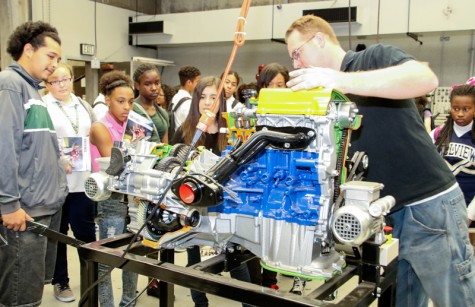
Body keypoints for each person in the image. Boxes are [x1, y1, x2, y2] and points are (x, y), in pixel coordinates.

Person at [285, 15, 475, 307]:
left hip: (428, 206)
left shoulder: (373, 58)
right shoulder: (325, 96)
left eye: (296, 54)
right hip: (383, 217)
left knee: (457, 300)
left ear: (319, 39)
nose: (295, 64)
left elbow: (425, 79)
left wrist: (338, 79)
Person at [0, 21, 68, 307]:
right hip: (23, 214)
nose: (54, 65)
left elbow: (31, 146)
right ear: (28, 49)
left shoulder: (33, 92)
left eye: (58, 60)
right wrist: (8, 204)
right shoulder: (11, 84)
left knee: (32, 292)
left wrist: (57, 160)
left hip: (43, 209)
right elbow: (4, 146)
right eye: (50, 56)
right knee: (20, 298)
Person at [170, 76, 251, 307]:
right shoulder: (185, 132)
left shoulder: (233, 131)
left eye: (213, 97)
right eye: (202, 97)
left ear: (222, 100)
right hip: (195, 210)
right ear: (196, 100)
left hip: (228, 209)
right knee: (195, 263)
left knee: (237, 261)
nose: (207, 102)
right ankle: (200, 304)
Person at [43, 62, 97, 302]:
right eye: (55, 81)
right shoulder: (42, 107)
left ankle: (93, 275)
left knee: (85, 231)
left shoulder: (83, 105)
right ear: (47, 84)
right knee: (59, 233)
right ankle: (61, 281)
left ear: (72, 79)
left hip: (82, 180)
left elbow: (95, 133)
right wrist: (56, 158)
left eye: (65, 79)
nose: (61, 84)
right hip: (55, 182)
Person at [89, 70, 138, 307]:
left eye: (130, 101)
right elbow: (116, 165)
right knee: (106, 260)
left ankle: (129, 301)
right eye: (121, 101)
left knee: (133, 256)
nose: (127, 107)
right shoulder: (100, 128)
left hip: (135, 197)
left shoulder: (134, 126)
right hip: (111, 200)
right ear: (107, 99)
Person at [431, 79, 475, 231]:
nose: (460, 114)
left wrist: (469, 215)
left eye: (466, 109)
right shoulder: (438, 134)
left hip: (470, 211)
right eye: (456, 109)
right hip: (441, 208)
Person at [132, 63, 169, 143]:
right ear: (137, 85)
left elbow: (165, 145)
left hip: (159, 155)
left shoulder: (163, 113)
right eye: (147, 84)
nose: (154, 88)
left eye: (157, 83)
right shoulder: (131, 110)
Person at [169, 66, 201, 132]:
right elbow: (194, 126)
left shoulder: (175, 97)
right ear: (189, 83)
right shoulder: (188, 103)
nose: (199, 85)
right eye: (197, 82)